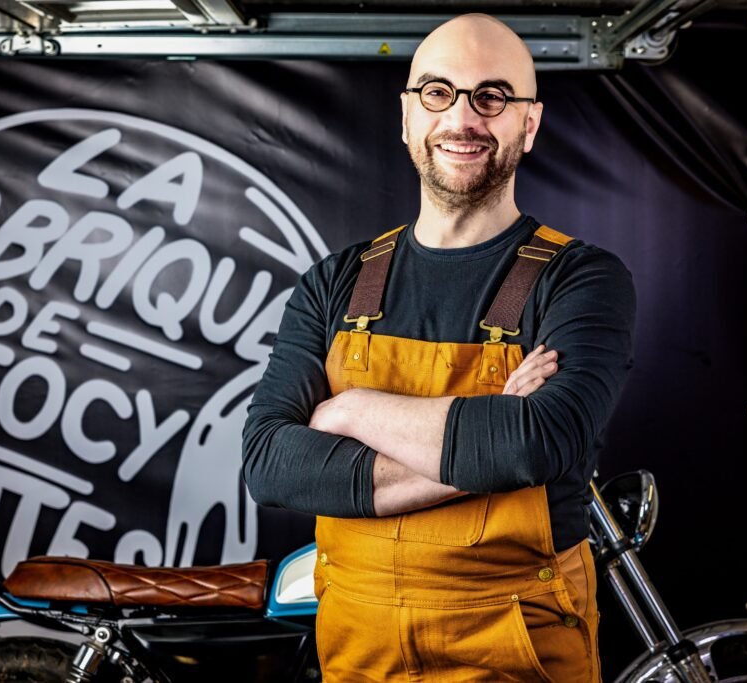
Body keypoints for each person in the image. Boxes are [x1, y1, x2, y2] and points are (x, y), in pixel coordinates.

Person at [242, 13, 635, 682]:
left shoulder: (582, 278)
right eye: (437, 92)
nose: (462, 117)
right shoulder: (337, 281)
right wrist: (485, 449)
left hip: (518, 647)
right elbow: (271, 462)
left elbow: (537, 441)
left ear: (528, 124)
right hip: (357, 646)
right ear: (407, 116)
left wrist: (353, 410)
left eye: (492, 96)